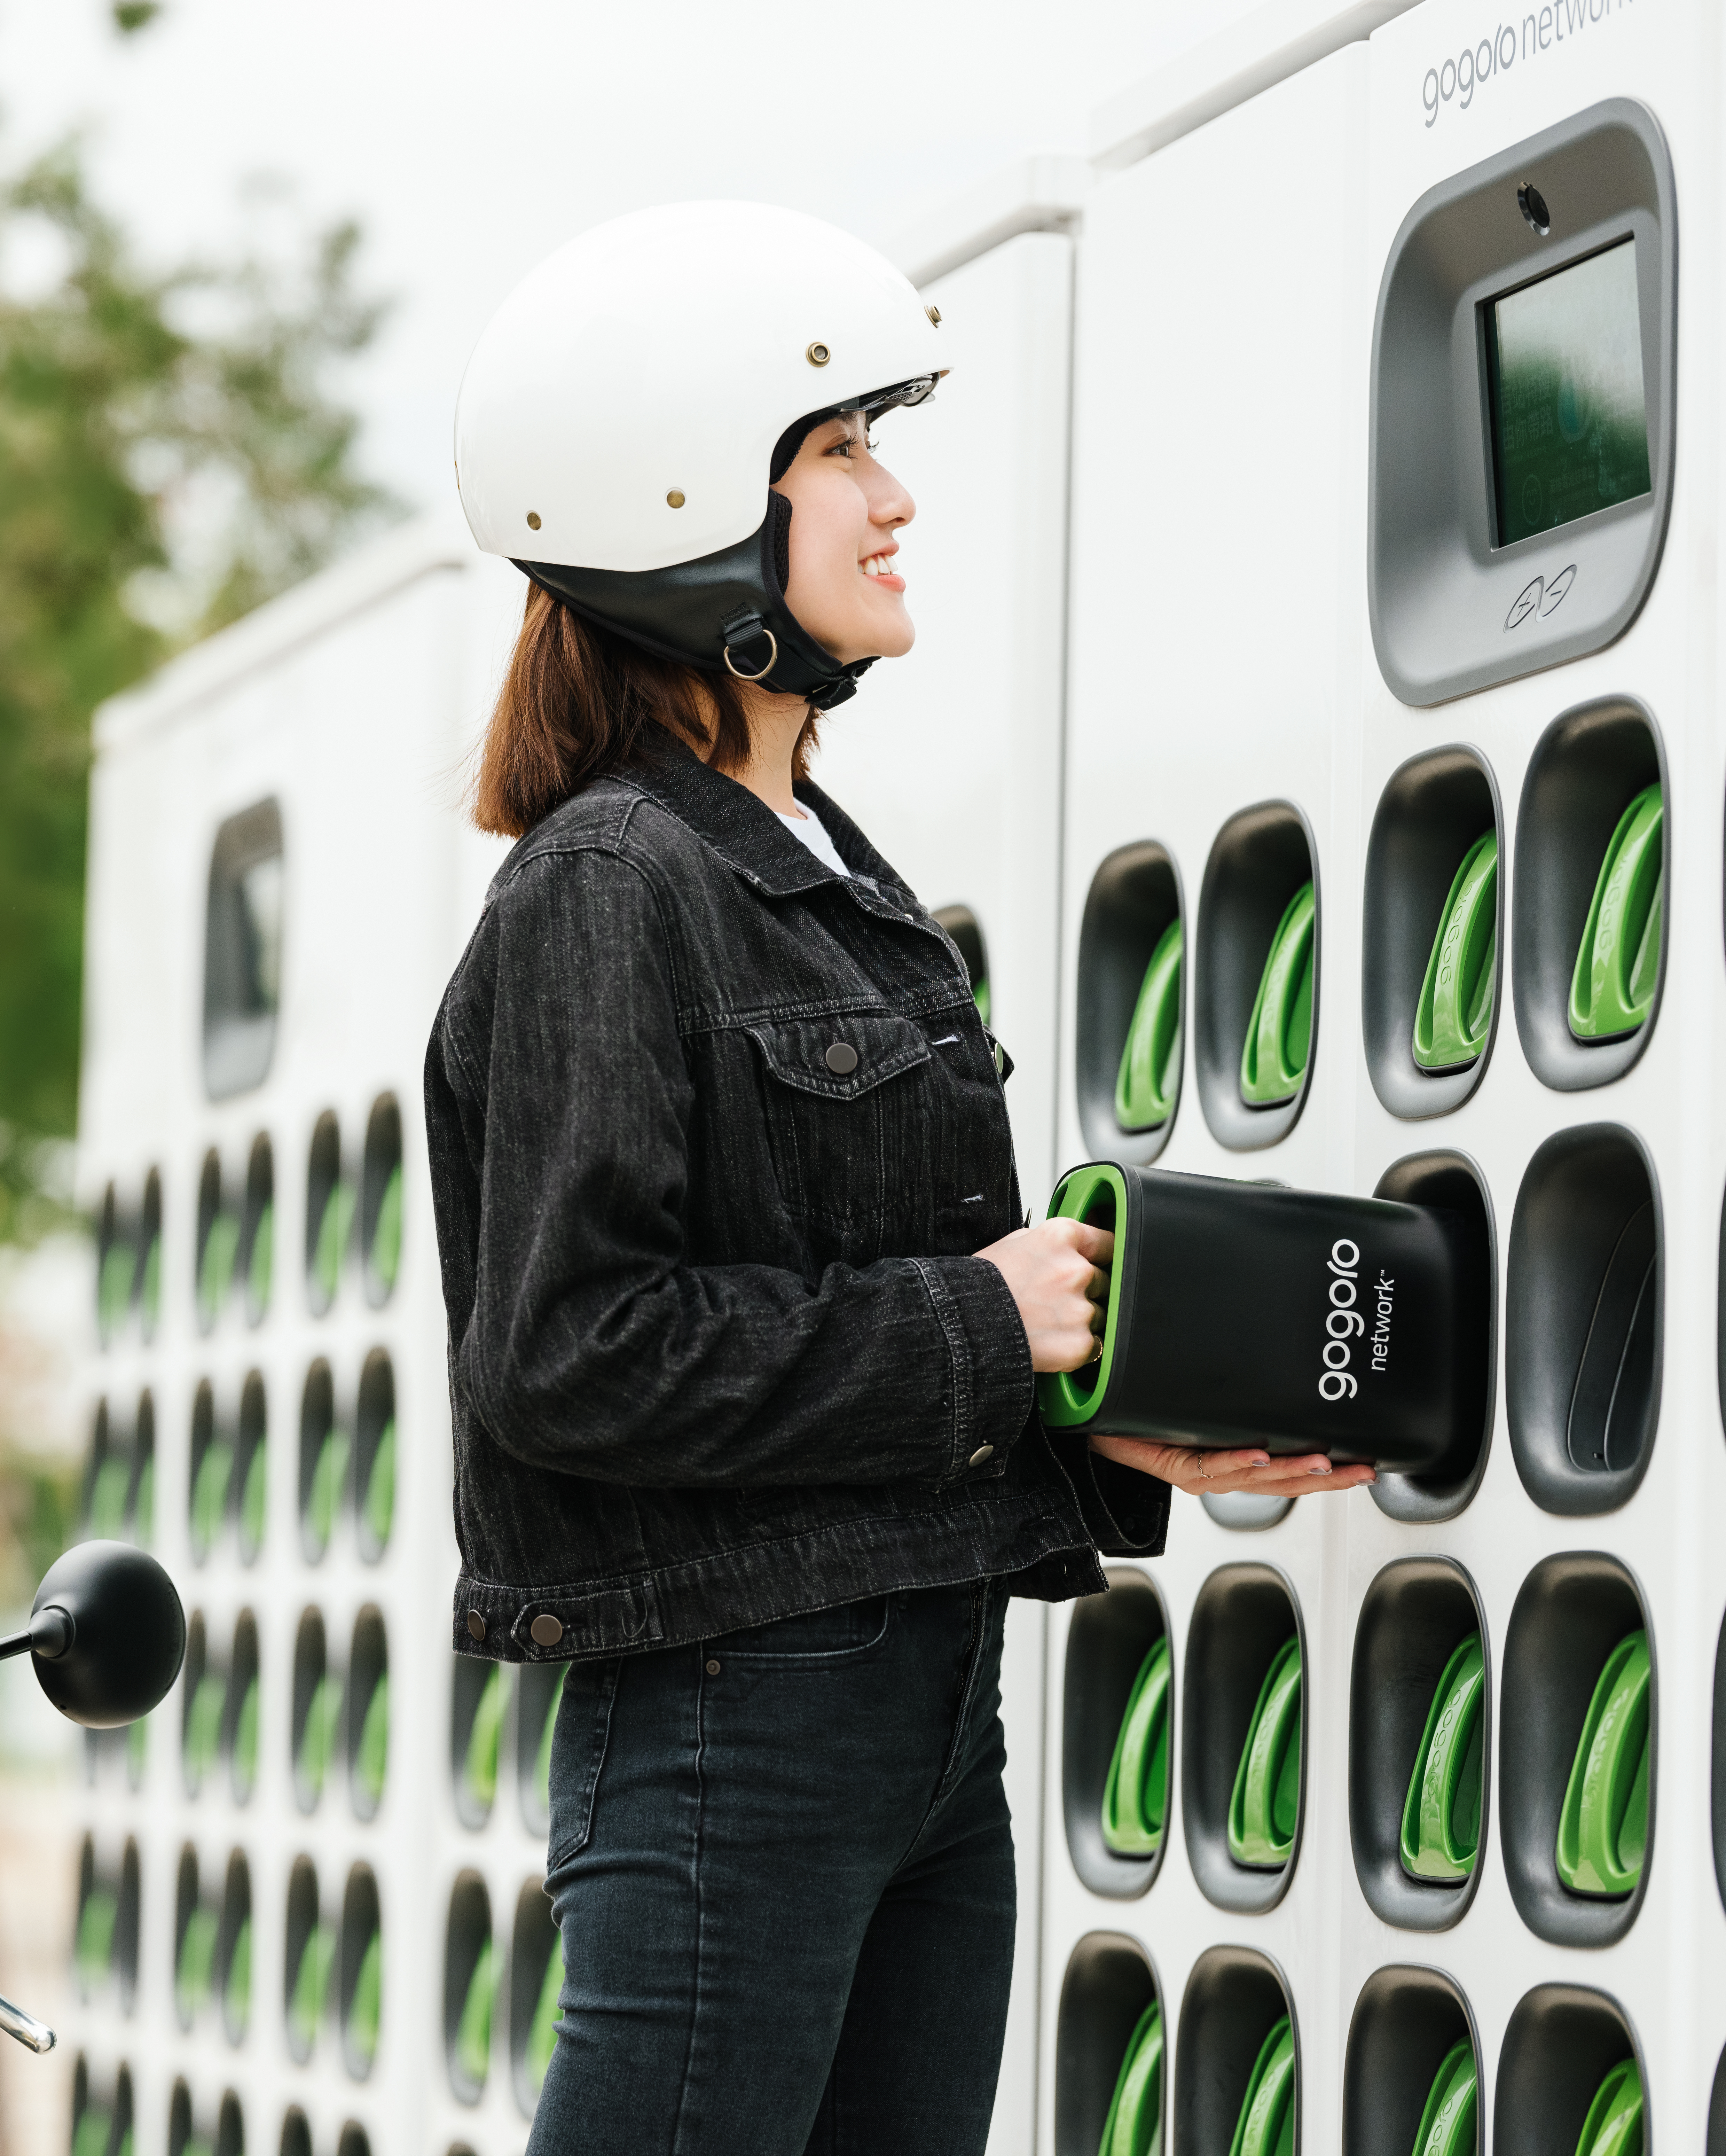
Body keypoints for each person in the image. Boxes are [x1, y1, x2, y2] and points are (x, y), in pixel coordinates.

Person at [427, 202, 1374, 2156]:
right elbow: (571, 1355)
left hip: (929, 1716)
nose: (896, 499)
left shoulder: (840, 888)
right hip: (727, 1730)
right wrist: (981, 1319)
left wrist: (1115, 1437)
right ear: (686, 509)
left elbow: (876, 1352)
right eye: (842, 452)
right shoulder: (613, 886)